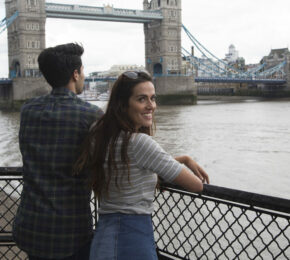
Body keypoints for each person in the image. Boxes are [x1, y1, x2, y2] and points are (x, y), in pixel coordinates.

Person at [74, 70, 209, 260]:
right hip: (133, 239)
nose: (151, 106)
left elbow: (134, 162)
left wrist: (184, 159)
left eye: (153, 98)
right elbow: (196, 185)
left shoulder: (98, 135)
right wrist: (184, 162)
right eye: (141, 99)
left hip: (103, 237)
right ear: (123, 104)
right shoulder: (139, 143)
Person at [12, 43, 104, 260]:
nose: (83, 75)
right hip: (71, 231)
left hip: (31, 225)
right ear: (75, 74)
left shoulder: (28, 110)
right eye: (82, 71)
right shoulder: (90, 115)